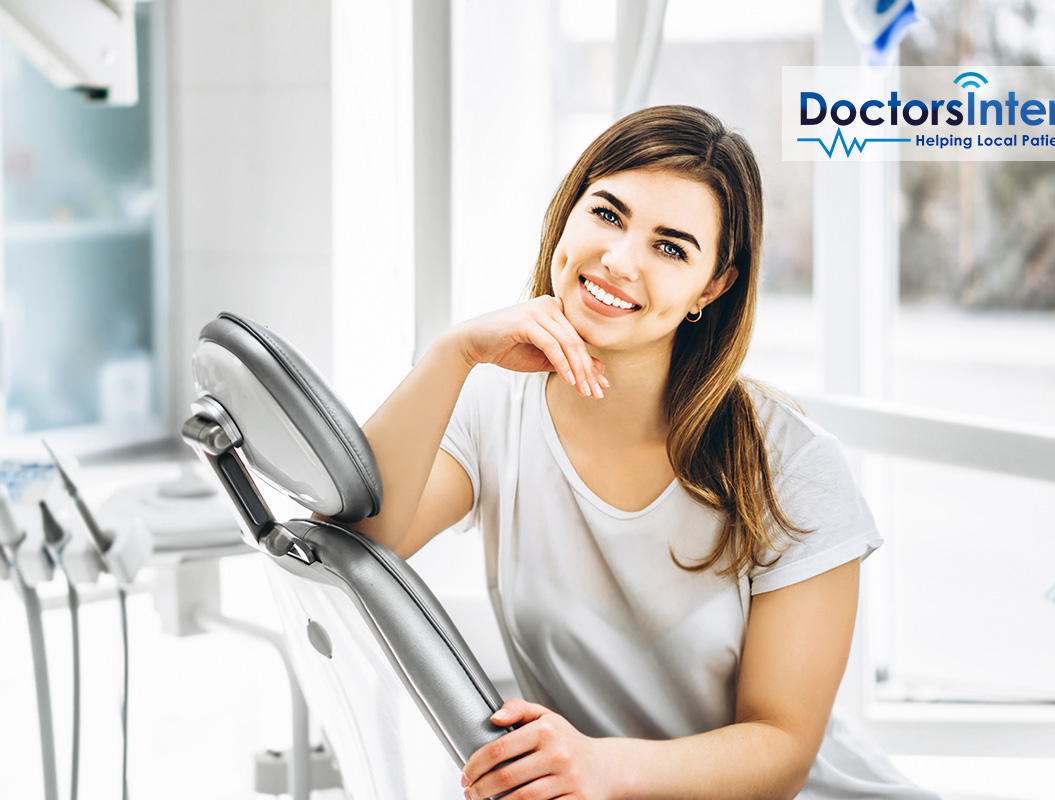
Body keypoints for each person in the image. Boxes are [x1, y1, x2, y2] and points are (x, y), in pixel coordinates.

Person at [349, 105, 938, 800]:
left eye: (671, 248)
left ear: (712, 286)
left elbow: (783, 752)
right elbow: (363, 540)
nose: (620, 260)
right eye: (607, 214)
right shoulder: (489, 405)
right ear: (568, 214)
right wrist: (452, 353)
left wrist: (603, 767)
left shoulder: (791, 464)